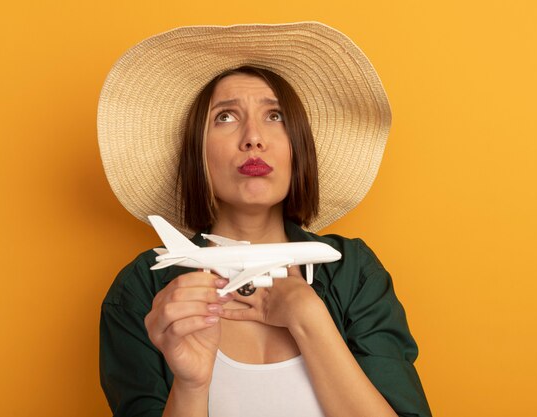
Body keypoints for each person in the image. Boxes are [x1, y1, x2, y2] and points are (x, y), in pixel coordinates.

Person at [97, 22, 432, 417]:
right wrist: (190, 385)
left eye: (275, 116)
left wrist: (310, 320)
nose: (253, 137)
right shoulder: (143, 292)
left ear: (298, 146)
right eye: (224, 117)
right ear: (196, 151)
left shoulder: (353, 273)